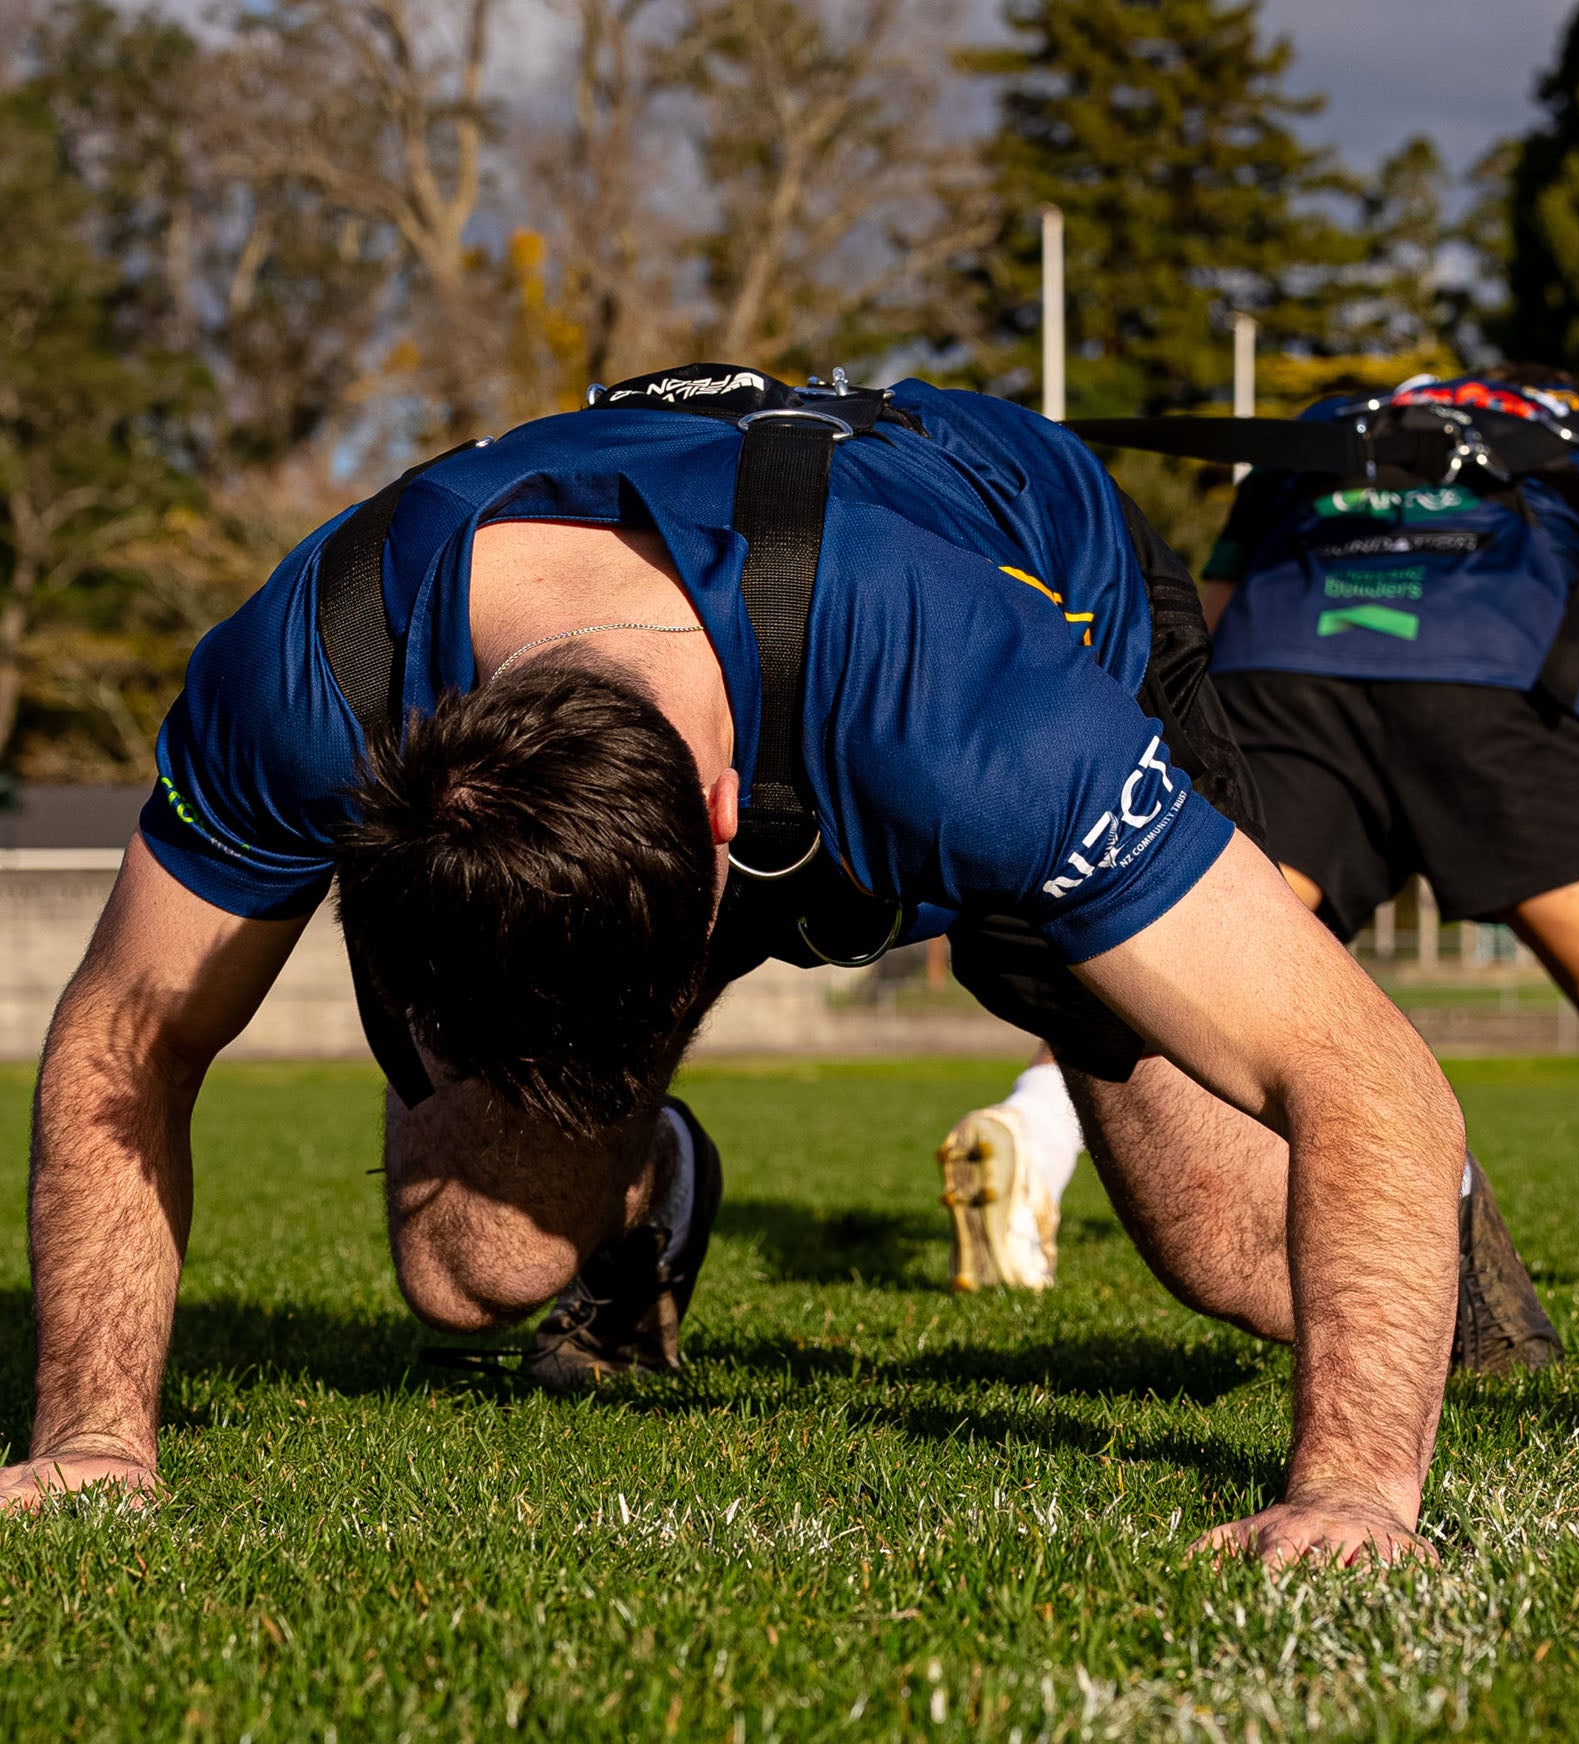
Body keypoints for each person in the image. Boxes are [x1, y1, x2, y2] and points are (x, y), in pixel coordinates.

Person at [5, 363, 1469, 1570]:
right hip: (715, 667)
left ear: (724, 838)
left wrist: (1353, 1489)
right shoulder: (312, 679)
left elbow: (1356, 1071)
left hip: (1026, 579)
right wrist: (91, 1439)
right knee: (472, 1269)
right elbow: (128, 1032)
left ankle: (1458, 1228)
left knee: (1238, 1246)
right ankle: (654, 1200)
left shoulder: (970, 704)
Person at [941, 369, 1579, 1310]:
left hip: (1289, 686)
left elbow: (1191, 636)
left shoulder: (1316, 437)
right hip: (1498, 693)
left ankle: (1031, 1129)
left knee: (1176, 962)